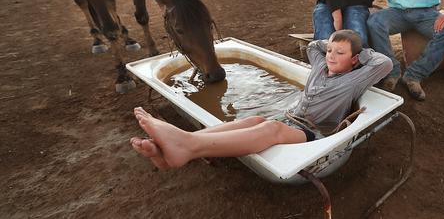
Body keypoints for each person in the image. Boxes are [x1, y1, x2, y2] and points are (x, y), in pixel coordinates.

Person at [130, 29, 392, 170]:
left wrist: (358, 51)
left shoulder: (355, 79)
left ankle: (186, 145)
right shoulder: (320, 64)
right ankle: (170, 152)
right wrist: (332, 42)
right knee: (255, 119)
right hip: (291, 119)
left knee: (270, 128)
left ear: (355, 59)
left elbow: (385, 62)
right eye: (331, 50)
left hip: (314, 132)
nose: (331, 56)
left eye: (340, 53)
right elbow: (313, 46)